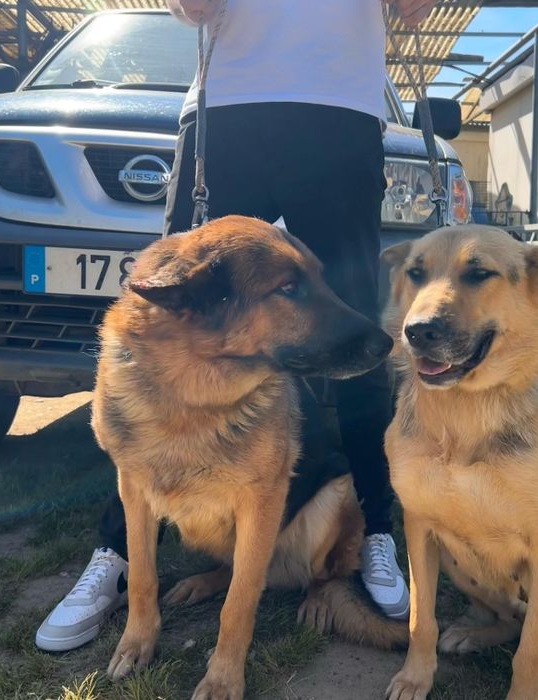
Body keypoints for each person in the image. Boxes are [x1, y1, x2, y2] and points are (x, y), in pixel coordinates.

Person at [36, 0, 438, 652]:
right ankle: (115, 558)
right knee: (163, 324)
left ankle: (374, 527)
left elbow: (412, 11)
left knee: (354, 331)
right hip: (228, 101)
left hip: (341, 103)